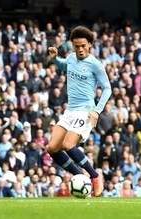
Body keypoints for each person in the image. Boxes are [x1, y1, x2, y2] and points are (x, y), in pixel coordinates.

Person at [46, 26, 112, 196]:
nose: (80, 49)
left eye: (83, 45)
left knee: (68, 145)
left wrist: (96, 111)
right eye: (77, 46)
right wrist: (55, 59)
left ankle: (95, 176)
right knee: (52, 148)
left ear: (90, 44)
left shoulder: (95, 65)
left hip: (86, 110)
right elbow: (64, 65)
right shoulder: (71, 58)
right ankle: (79, 174)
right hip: (70, 111)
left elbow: (107, 89)